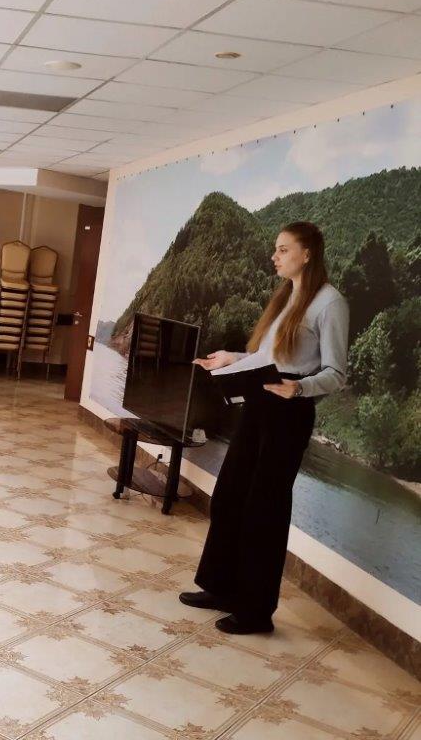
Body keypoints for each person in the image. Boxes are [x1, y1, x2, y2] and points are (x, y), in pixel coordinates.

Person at [182, 221, 349, 635]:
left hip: (288, 413)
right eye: (276, 249)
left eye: (283, 249)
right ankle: (221, 588)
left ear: (307, 254)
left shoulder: (330, 303)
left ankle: (255, 612)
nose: (275, 256)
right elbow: (270, 358)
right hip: (259, 404)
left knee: (264, 509)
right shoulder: (287, 296)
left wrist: (300, 388)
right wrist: (232, 359)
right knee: (230, 496)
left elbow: (336, 374)